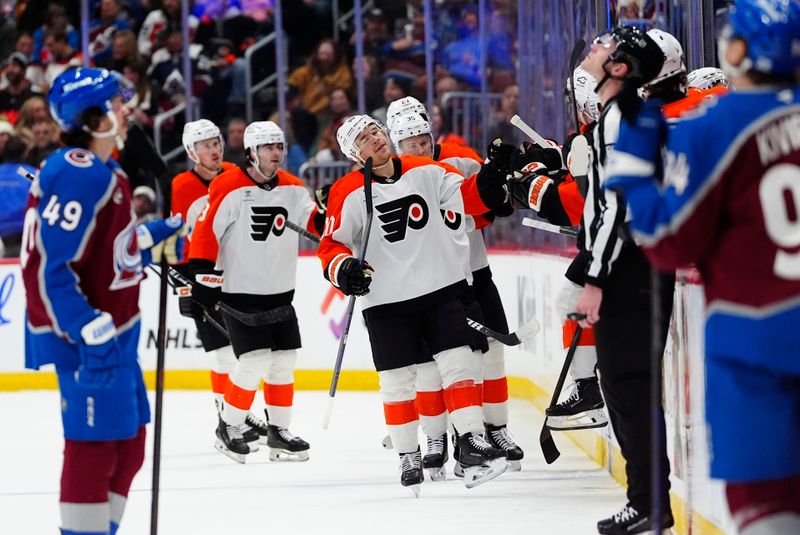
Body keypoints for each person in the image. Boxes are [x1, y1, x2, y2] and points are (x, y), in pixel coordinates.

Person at [605, 2, 800, 533]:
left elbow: (667, 243)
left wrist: (634, 159)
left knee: (769, 512)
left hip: (754, 348)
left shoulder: (715, 125)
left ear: (739, 50)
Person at [21, 67, 184, 535]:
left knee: (130, 444)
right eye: (115, 104)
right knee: (94, 449)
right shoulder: (79, 173)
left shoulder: (106, 171)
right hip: (90, 337)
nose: (125, 111)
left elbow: (114, 247)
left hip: (117, 334)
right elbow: (50, 267)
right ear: (91, 119)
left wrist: (157, 234)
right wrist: (83, 324)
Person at [317, 114, 511, 495]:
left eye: (375, 130)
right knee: (396, 381)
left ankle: (471, 442)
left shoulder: (426, 169)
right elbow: (331, 246)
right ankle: (408, 453)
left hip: (440, 289)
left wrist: (492, 177)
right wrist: (345, 269)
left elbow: (468, 198)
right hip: (387, 302)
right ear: (355, 155)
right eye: (363, 139)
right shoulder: (348, 192)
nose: (374, 139)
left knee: (458, 365)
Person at [571, 26, 676, 534]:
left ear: (619, 68)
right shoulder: (618, 117)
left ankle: (650, 503)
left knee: (629, 387)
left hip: (630, 268)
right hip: (632, 265)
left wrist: (595, 276)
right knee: (626, 388)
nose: (593, 48)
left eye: (604, 47)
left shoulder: (621, 118)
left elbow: (619, 206)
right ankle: (650, 501)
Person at [386, 98, 524, 478]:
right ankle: (436, 436)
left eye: (423, 138)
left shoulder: (460, 160)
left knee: (491, 356)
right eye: (410, 142)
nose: (419, 146)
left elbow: (496, 206)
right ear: (396, 144)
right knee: (432, 365)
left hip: (474, 273)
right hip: (430, 284)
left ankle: (495, 430)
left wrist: (500, 176)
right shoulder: (392, 176)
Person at [189, 121, 321, 464]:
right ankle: (228, 426)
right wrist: (201, 280)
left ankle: (279, 431)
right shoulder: (228, 185)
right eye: (267, 147)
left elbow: (315, 223)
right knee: (252, 361)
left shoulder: (293, 187)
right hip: (240, 291)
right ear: (251, 152)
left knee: (284, 363)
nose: (275, 153)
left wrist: (330, 206)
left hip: (280, 291)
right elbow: (206, 231)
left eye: (279, 147)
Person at [505, 65, 607, 431]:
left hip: (618, 240)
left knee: (572, 301)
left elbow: (584, 195)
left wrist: (537, 189)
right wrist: (553, 159)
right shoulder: (599, 130)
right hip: (615, 237)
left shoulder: (604, 134)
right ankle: (589, 388)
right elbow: (580, 168)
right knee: (572, 301)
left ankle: (590, 392)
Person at [171, 119, 267, 451]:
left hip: (237, 275)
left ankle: (234, 413)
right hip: (202, 277)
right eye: (205, 145)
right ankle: (228, 419)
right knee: (224, 355)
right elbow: (182, 237)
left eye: (216, 142)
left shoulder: (233, 174)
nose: (213, 149)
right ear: (190, 152)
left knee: (246, 352)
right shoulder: (183, 184)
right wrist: (185, 283)